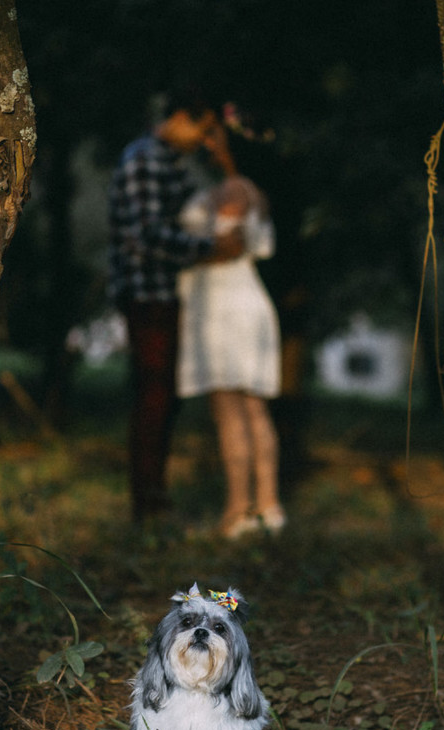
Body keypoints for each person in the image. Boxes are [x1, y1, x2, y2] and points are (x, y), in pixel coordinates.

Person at [107, 91, 242, 524]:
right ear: (181, 117)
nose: (203, 141)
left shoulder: (168, 162)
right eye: (202, 131)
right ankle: (147, 504)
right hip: (149, 295)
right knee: (154, 396)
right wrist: (209, 248)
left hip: (166, 295)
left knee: (163, 397)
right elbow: (146, 236)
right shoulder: (146, 159)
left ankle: (154, 497)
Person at [176, 124, 285, 538]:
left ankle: (238, 510)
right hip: (240, 301)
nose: (206, 143)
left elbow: (230, 244)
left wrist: (175, 249)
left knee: (229, 410)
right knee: (253, 407)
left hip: (225, 306)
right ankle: (268, 507)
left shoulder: (234, 189)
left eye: (215, 138)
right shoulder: (247, 188)